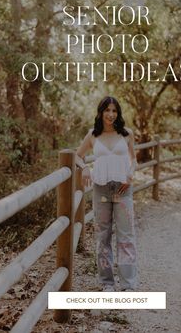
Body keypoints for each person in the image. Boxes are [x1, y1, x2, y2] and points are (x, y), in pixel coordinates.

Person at [76, 96, 137, 291]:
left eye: (114, 111)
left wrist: (130, 174)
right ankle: (107, 283)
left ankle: (128, 284)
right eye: (107, 110)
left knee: (125, 236)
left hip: (123, 190)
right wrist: (84, 167)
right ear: (101, 112)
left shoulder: (127, 134)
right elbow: (77, 155)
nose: (111, 114)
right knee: (103, 236)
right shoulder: (93, 135)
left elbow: (134, 159)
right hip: (101, 189)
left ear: (118, 113)